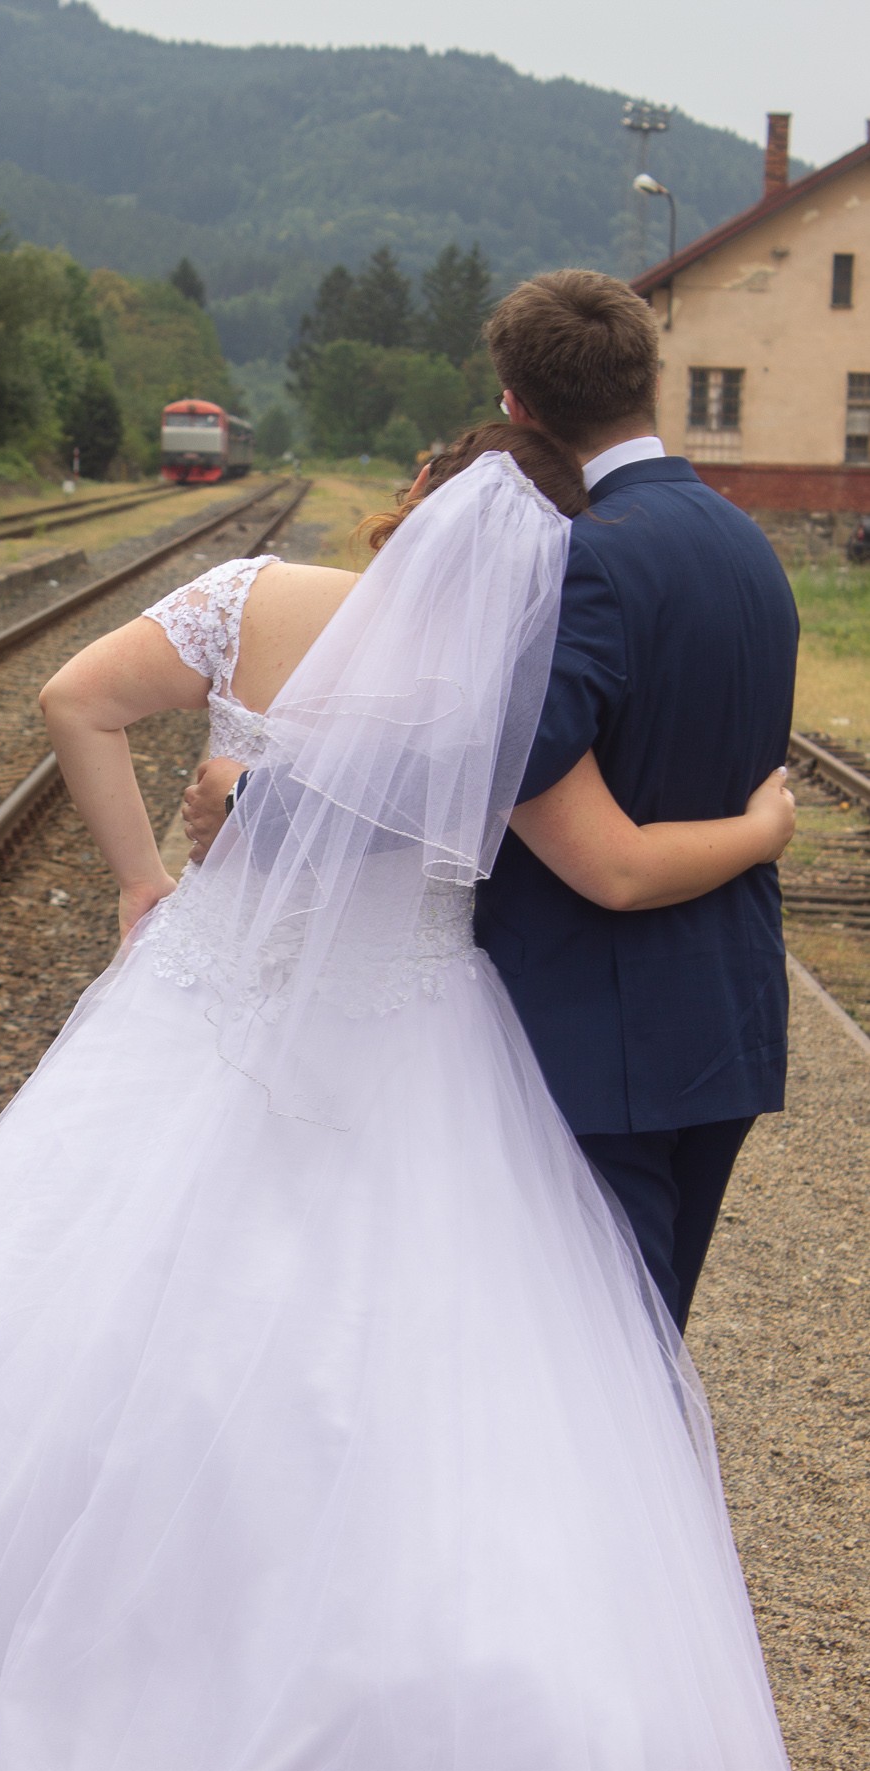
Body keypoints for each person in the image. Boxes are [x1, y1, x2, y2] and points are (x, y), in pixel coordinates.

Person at [0, 429, 802, 1771]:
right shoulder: (502, 677)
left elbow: (72, 699)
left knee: (92, 1303)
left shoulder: (254, 593)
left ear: (403, 506)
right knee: (400, 1366)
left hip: (205, 998)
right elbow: (600, 865)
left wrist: (147, 878)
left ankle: (20, 1635)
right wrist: (762, 824)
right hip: (413, 1034)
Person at [185, 272, 800, 1334]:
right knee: (641, 1350)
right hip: (725, 1023)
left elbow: (477, 761)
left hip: (599, 1037)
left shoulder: (581, 559)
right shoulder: (747, 548)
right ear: (651, 380)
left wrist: (259, 807)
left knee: (593, 1361)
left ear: (514, 402)